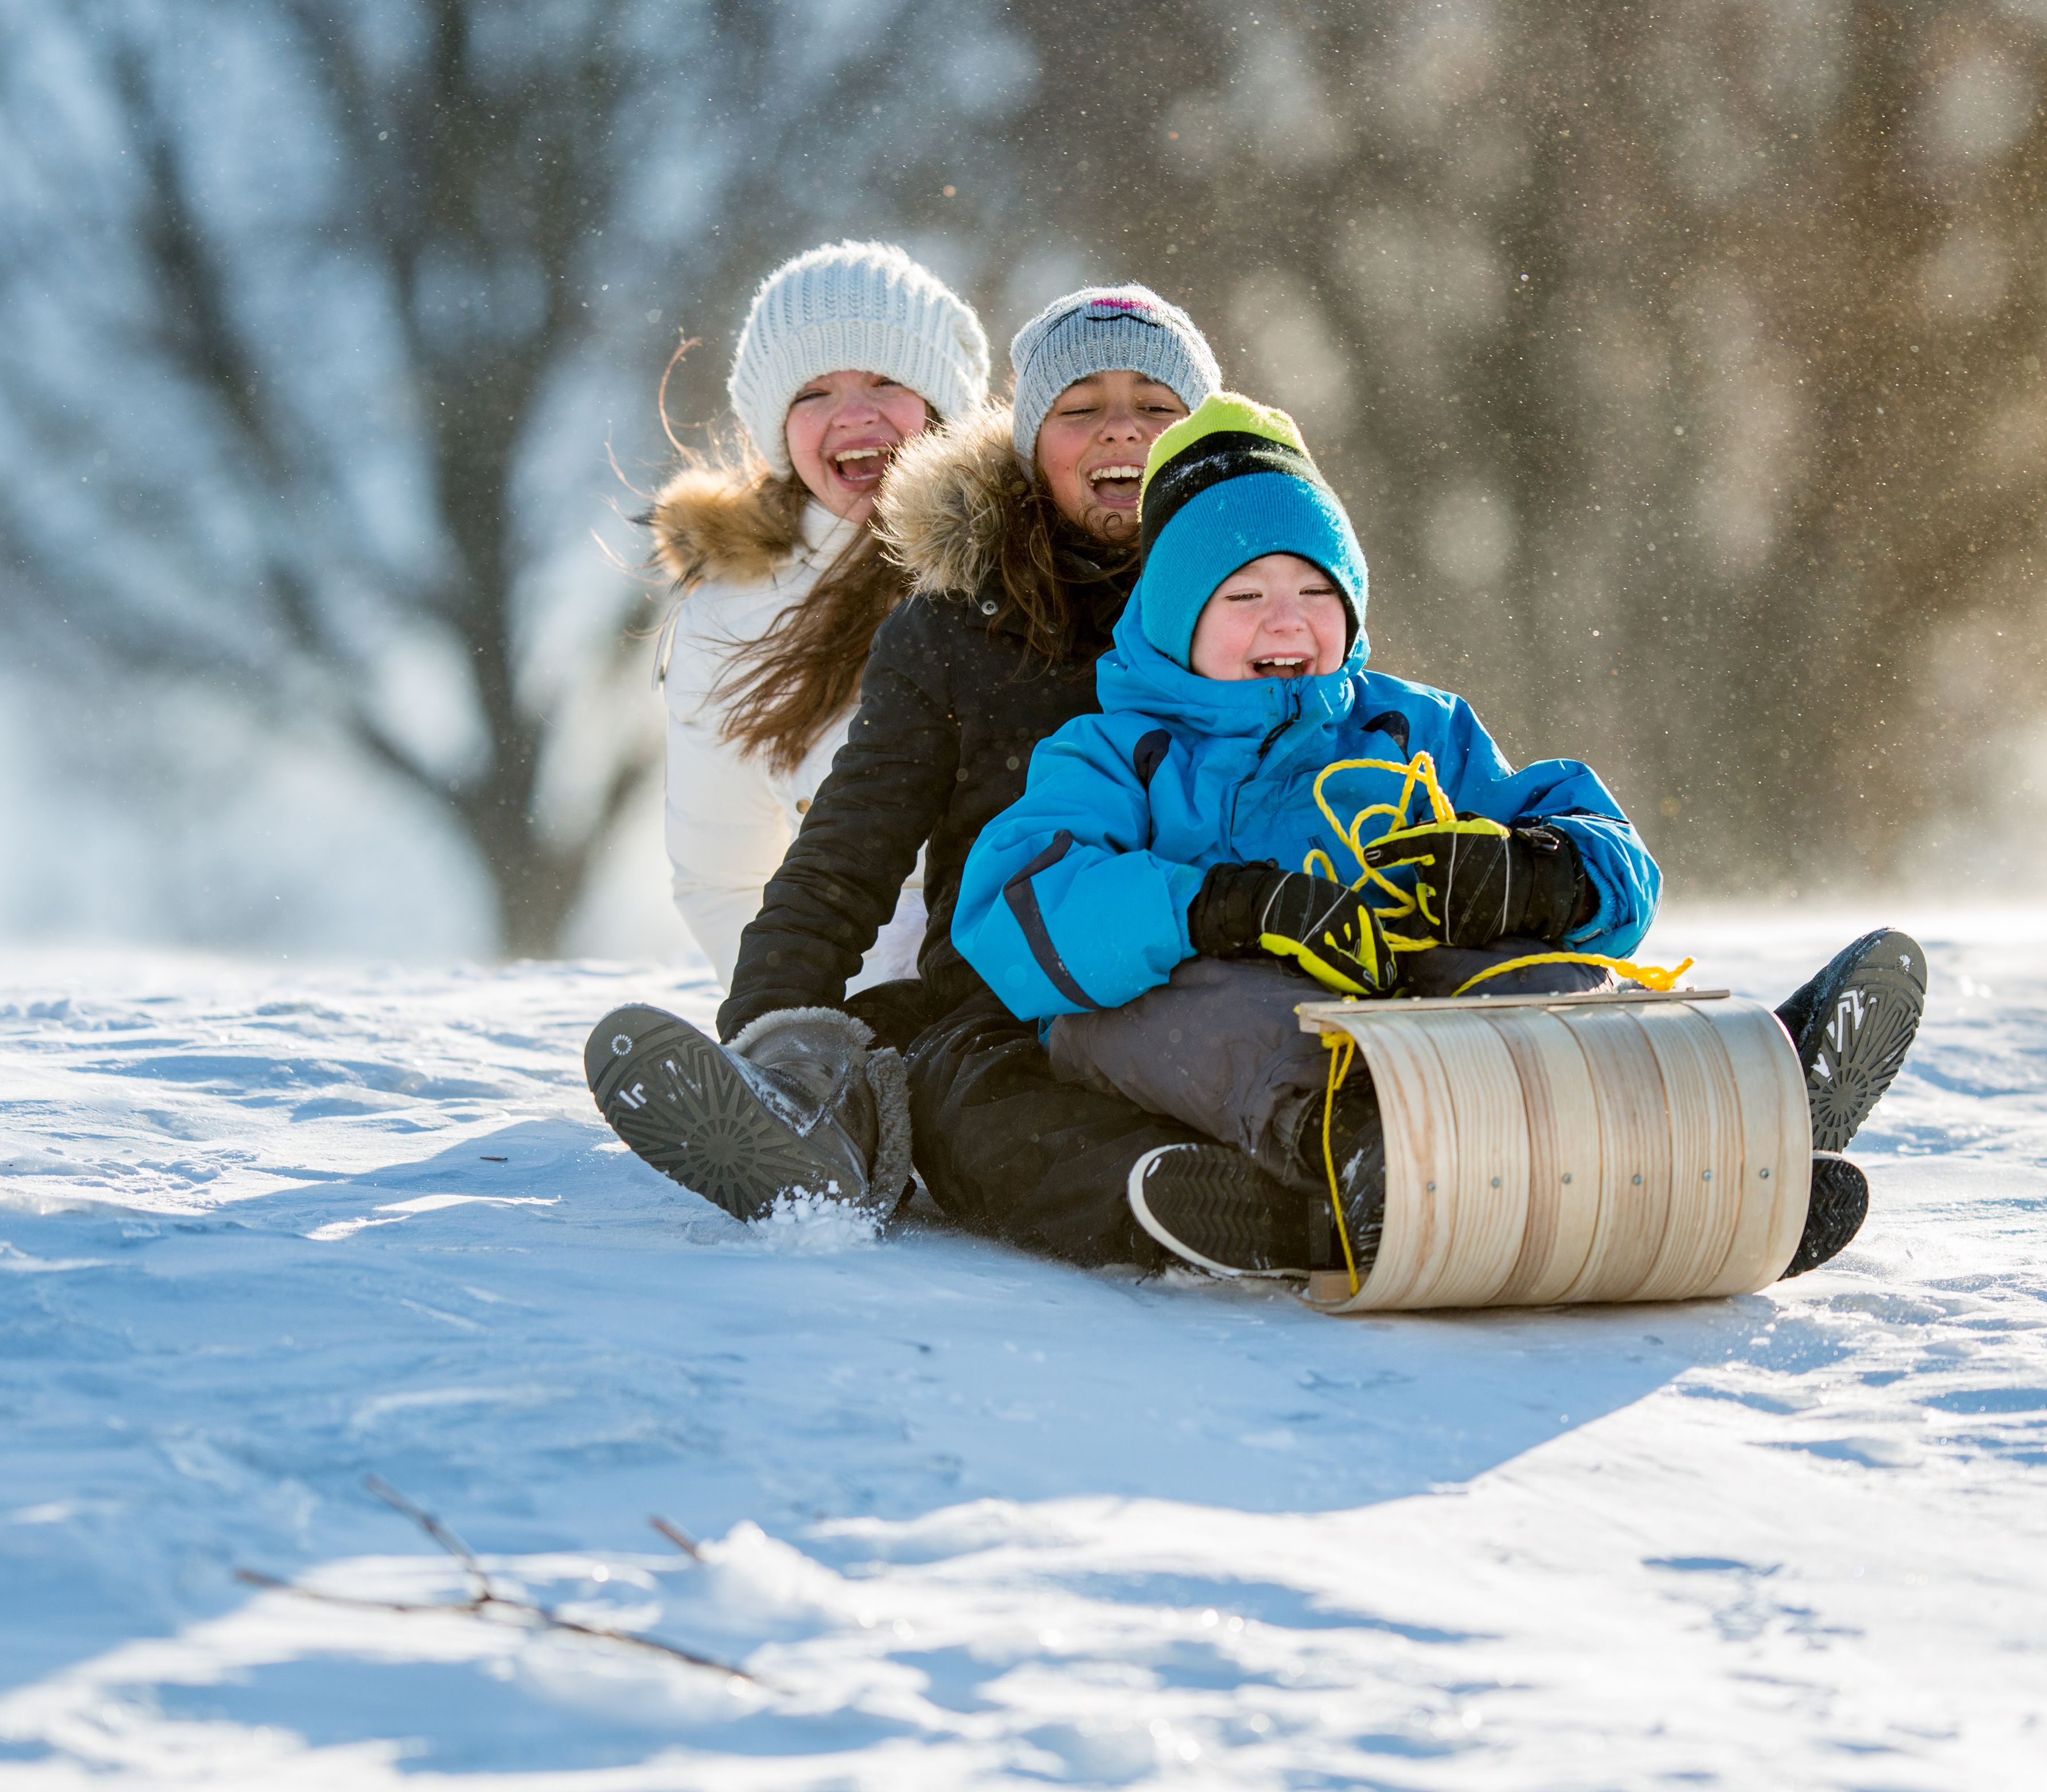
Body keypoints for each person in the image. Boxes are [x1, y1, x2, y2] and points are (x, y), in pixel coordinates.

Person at [953, 395, 1920, 1282]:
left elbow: (1601, 837)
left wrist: (1533, 877)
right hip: (1209, 1026)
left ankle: (1735, 1111)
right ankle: (1366, 1156)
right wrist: (1218, 906)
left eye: (1316, 592)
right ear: (1174, 619)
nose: (1286, 618)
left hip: (1414, 1001)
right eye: (1243, 595)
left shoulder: (1414, 728)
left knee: (1530, 982)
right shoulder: (1114, 752)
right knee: (1199, 1008)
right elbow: (1017, 906)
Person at [587, 286, 1279, 1260]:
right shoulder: (954, 630)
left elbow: (1382, 763)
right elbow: (846, 852)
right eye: (1080, 409)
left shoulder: (1266, 603)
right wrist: (770, 1034)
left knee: (1228, 1048)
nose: (1120, 430)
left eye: (1156, 408)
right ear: (1030, 446)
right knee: (964, 1112)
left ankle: (1327, 1164)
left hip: (1213, 975)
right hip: (1004, 1003)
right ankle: (1185, 1197)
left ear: (1199, 441)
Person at [644, 241, 991, 990]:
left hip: (1038, 965)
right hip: (854, 989)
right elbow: (723, 879)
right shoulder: (733, 614)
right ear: (776, 425)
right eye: (814, 393)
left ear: (940, 401)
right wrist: (806, 1013)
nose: (854, 416)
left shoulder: (1026, 567)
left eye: (885, 379)